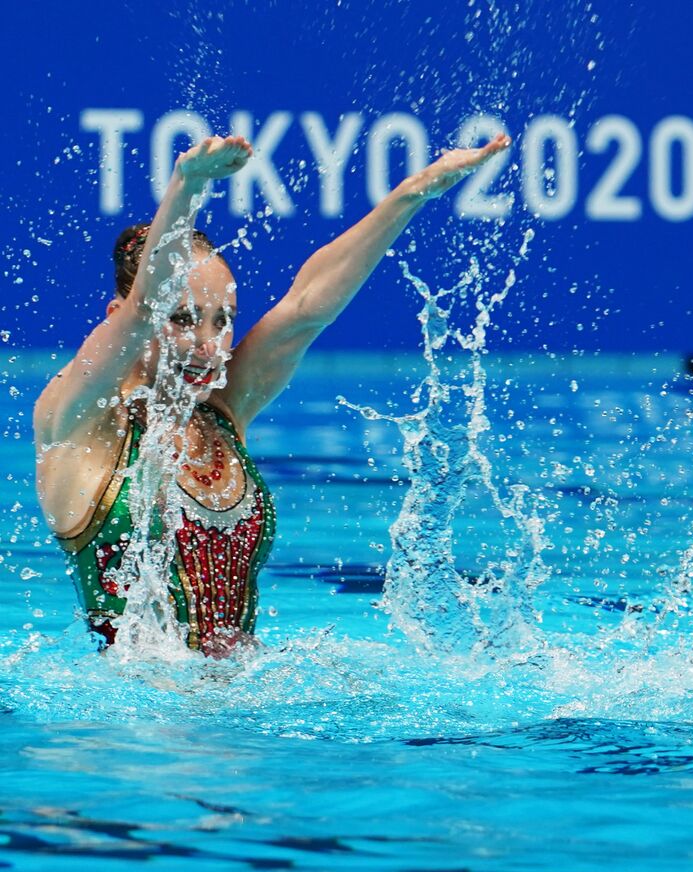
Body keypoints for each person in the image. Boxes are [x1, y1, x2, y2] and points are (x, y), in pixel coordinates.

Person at [34, 131, 510, 657]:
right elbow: (144, 305)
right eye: (183, 319)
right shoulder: (78, 423)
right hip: (129, 724)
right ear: (116, 319)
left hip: (241, 712)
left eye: (223, 322)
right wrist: (188, 187)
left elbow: (306, 307)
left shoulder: (222, 410)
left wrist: (415, 191)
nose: (208, 346)